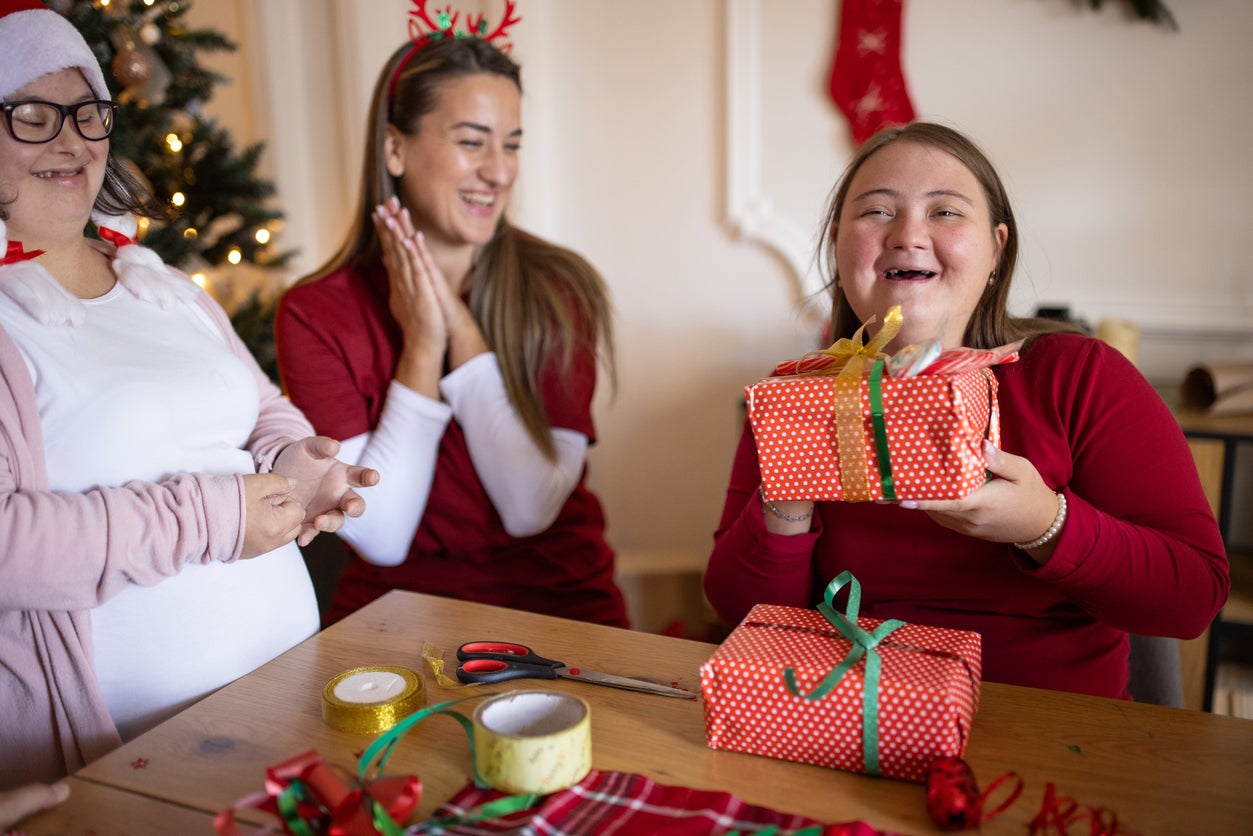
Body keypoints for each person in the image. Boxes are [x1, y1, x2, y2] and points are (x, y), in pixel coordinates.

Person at [704, 121, 1228, 701]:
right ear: (837, 244)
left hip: (1055, 738)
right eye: (876, 211)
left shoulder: (1079, 376)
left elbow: (1193, 599)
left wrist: (1044, 525)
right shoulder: (798, 397)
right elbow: (742, 615)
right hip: (856, 727)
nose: (907, 234)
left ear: (997, 249)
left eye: (946, 212)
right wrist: (787, 491)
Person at [0, 0, 377, 787]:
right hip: (131, 763)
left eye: (87, 111)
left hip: (291, 707)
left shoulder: (160, 283)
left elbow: (257, 402)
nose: (71, 139)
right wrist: (214, 515)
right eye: (32, 114)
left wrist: (293, 458)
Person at [274, 34, 628, 628]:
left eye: (511, 145)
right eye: (471, 142)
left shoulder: (559, 288)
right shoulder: (314, 313)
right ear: (394, 149)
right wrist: (422, 346)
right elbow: (382, 533)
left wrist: (460, 330)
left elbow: (529, 508)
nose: (498, 171)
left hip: (557, 604)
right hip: (393, 613)